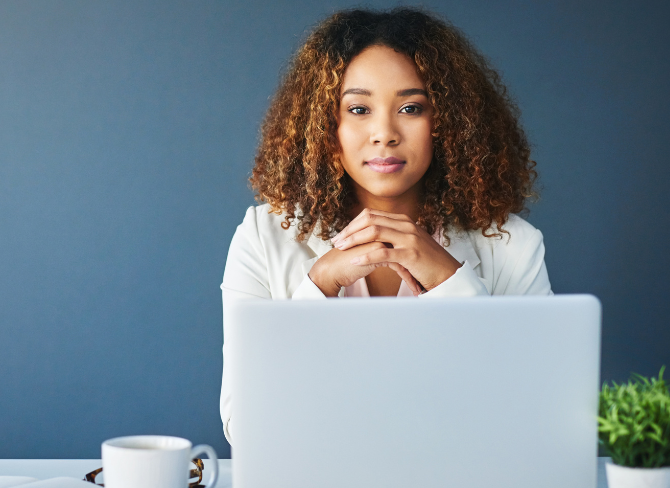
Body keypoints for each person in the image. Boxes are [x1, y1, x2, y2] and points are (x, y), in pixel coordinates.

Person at [219, 7, 553, 445]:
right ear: (324, 126)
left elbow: (533, 423)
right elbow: (245, 429)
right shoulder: (262, 238)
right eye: (358, 108)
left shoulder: (514, 247)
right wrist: (318, 285)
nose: (384, 133)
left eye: (411, 108)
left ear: (447, 124)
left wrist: (450, 281)